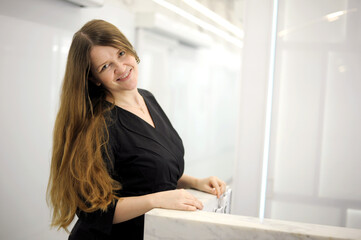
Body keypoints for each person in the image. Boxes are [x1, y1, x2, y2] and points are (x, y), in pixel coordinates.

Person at [47, 19, 226, 240]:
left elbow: (145, 172)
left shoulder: (147, 98)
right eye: (105, 66)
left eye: (121, 54)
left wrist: (193, 182)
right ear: (94, 78)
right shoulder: (98, 124)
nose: (121, 68)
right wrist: (156, 200)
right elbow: (91, 210)